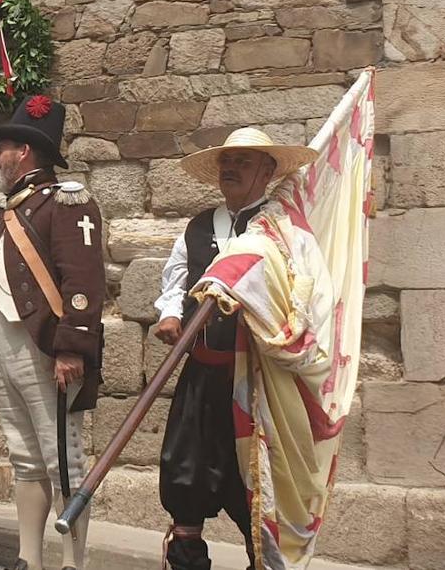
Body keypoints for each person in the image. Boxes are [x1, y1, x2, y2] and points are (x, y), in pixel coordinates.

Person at [0, 95, 106, 570]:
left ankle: (73, 563)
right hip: (2, 346)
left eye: (4, 148)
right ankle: (28, 559)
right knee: (25, 458)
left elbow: (83, 282)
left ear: (25, 154)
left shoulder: (67, 202)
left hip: (44, 347)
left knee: (64, 461)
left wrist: (72, 347)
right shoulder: (9, 211)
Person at [150, 128, 316, 570]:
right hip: (202, 375)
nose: (230, 169)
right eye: (227, 161)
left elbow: (305, 295)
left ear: (268, 171)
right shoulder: (200, 226)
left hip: (258, 382)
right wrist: (170, 314)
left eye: (243, 162)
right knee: (185, 470)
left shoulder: (284, 230)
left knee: (257, 481)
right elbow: (177, 278)